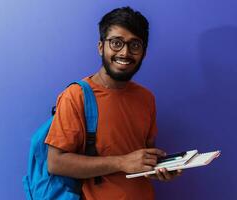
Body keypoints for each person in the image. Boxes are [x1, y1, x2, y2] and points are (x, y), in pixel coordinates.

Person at [45, 6, 181, 200]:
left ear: (144, 52)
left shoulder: (146, 98)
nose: (125, 53)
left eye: (135, 45)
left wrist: (161, 168)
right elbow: (56, 163)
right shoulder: (76, 96)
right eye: (116, 43)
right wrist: (121, 162)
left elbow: (143, 157)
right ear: (101, 47)